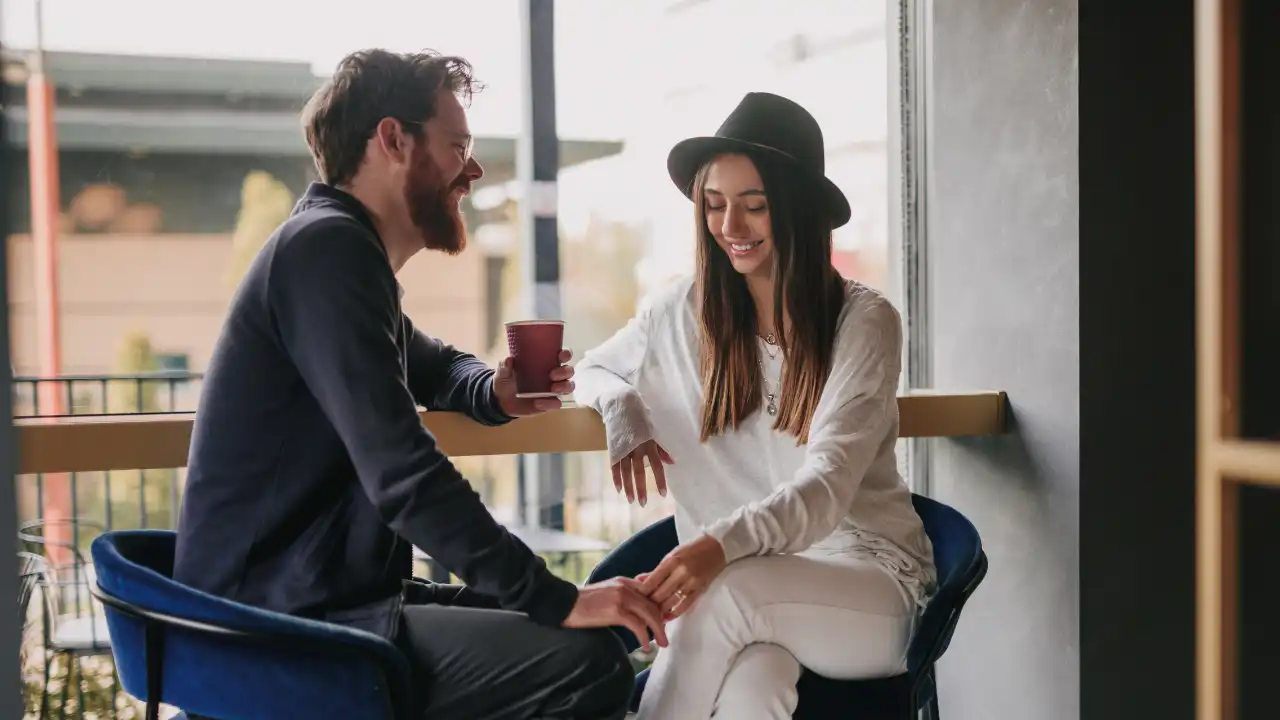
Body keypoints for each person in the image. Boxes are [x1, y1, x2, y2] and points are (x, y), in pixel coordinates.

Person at [172, 49, 667, 720]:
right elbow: (404, 475)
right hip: (274, 629)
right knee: (585, 666)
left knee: (587, 642)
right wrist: (557, 598)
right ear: (393, 140)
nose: (474, 170)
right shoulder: (327, 252)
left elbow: (433, 363)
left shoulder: (335, 251)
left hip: (321, 602)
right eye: (458, 146)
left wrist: (493, 390)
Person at [574, 92, 938, 719]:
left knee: (724, 595)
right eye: (715, 205)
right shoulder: (679, 311)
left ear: (798, 209)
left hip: (872, 587)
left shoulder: (862, 321)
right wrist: (622, 407)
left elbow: (826, 486)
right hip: (759, 590)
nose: (730, 227)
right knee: (752, 689)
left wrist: (715, 547)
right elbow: (595, 369)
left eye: (755, 205)